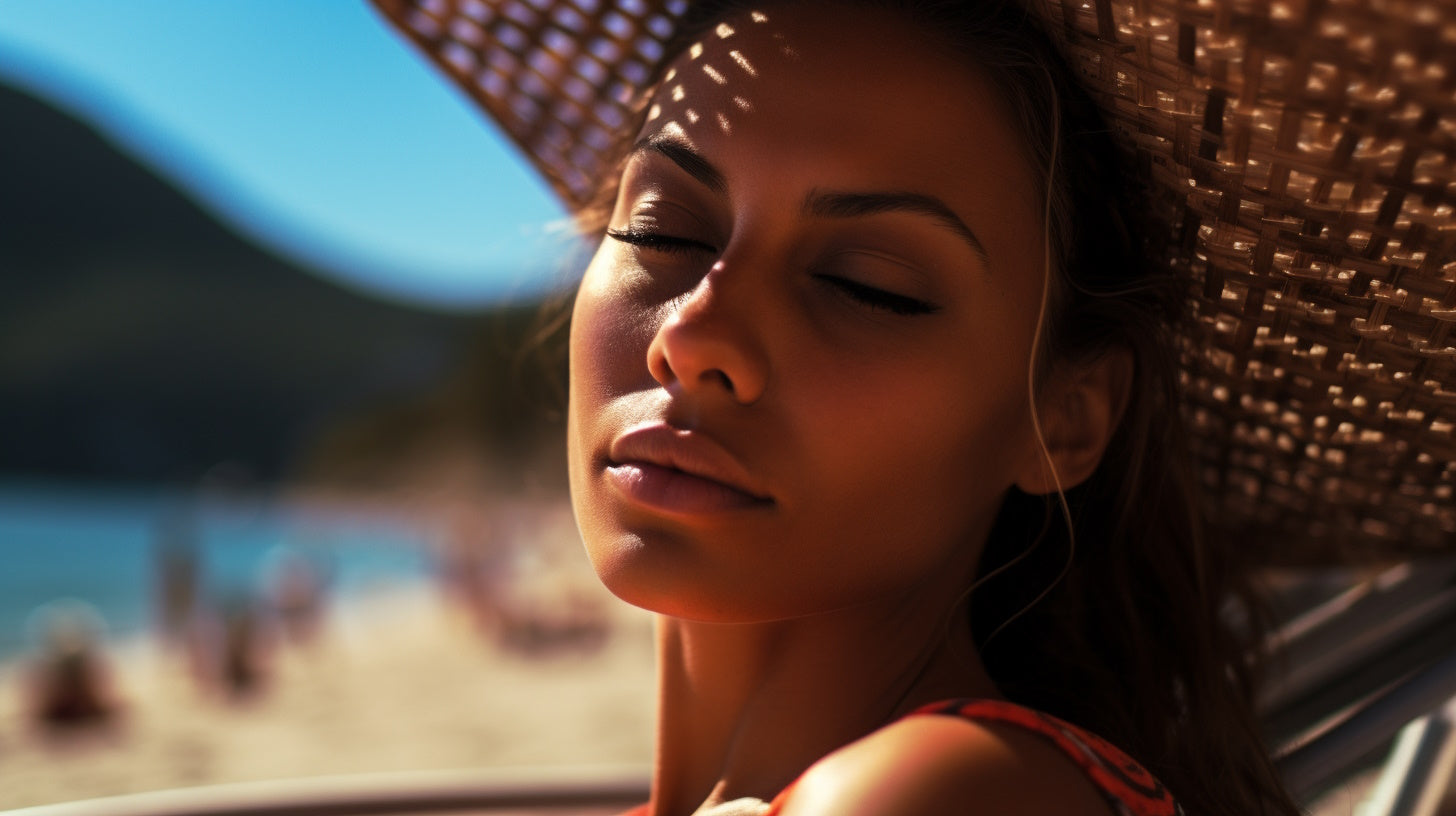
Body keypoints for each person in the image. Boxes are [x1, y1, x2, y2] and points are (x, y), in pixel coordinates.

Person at [372, 0, 1455, 814]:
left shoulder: (935, 795)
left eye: (868, 285)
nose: (694, 335)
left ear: (1063, 417)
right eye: (666, 232)